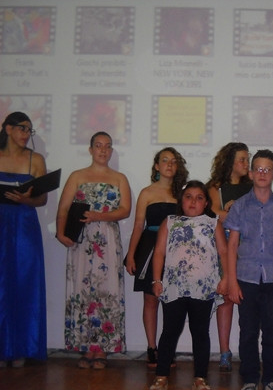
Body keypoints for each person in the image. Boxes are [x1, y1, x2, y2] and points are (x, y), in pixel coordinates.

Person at [225, 149, 273, 390]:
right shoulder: (239, 207)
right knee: (247, 332)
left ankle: (270, 380)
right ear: (250, 173)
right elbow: (232, 246)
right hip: (246, 278)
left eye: (267, 169)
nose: (262, 173)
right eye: (258, 168)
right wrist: (232, 282)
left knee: (272, 331)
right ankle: (249, 380)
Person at [56, 131, 131, 369]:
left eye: (107, 146)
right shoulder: (77, 176)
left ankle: (103, 348)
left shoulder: (119, 178)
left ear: (111, 151)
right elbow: (63, 208)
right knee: (83, 289)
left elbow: (125, 210)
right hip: (81, 239)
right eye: (98, 145)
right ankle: (86, 346)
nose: (103, 150)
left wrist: (99, 216)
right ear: (90, 149)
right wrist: (60, 233)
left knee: (107, 290)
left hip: (108, 239)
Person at [148, 180, 228, 390]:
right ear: (181, 201)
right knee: (169, 332)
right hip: (174, 287)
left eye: (199, 198)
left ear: (206, 203)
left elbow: (223, 253)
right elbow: (159, 253)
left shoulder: (213, 223)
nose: (193, 202)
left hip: (203, 288)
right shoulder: (170, 222)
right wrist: (156, 280)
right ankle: (161, 376)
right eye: (188, 197)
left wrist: (226, 278)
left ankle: (200, 377)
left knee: (200, 333)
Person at [125, 147, 188, 367]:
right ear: (157, 166)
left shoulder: (182, 194)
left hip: (176, 251)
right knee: (151, 300)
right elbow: (137, 226)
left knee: (172, 302)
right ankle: (152, 348)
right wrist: (131, 255)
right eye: (165, 160)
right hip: (150, 249)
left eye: (174, 161)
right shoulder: (146, 193)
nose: (169, 164)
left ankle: (167, 348)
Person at [0, 111, 47, 368]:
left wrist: (26, 199)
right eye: (22, 128)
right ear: (7, 129)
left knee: (24, 281)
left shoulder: (36, 160)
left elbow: (42, 199)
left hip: (24, 224)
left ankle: (21, 347)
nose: (26, 134)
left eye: (30, 130)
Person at [206, 142, 252, 372]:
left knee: (248, 298)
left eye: (247, 159)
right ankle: (224, 351)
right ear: (229, 162)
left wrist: (239, 210)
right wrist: (231, 211)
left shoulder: (253, 186)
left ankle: (248, 351)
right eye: (242, 159)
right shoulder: (216, 187)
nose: (246, 163)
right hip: (225, 246)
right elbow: (214, 212)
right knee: (226, 299)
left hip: (250, 246)